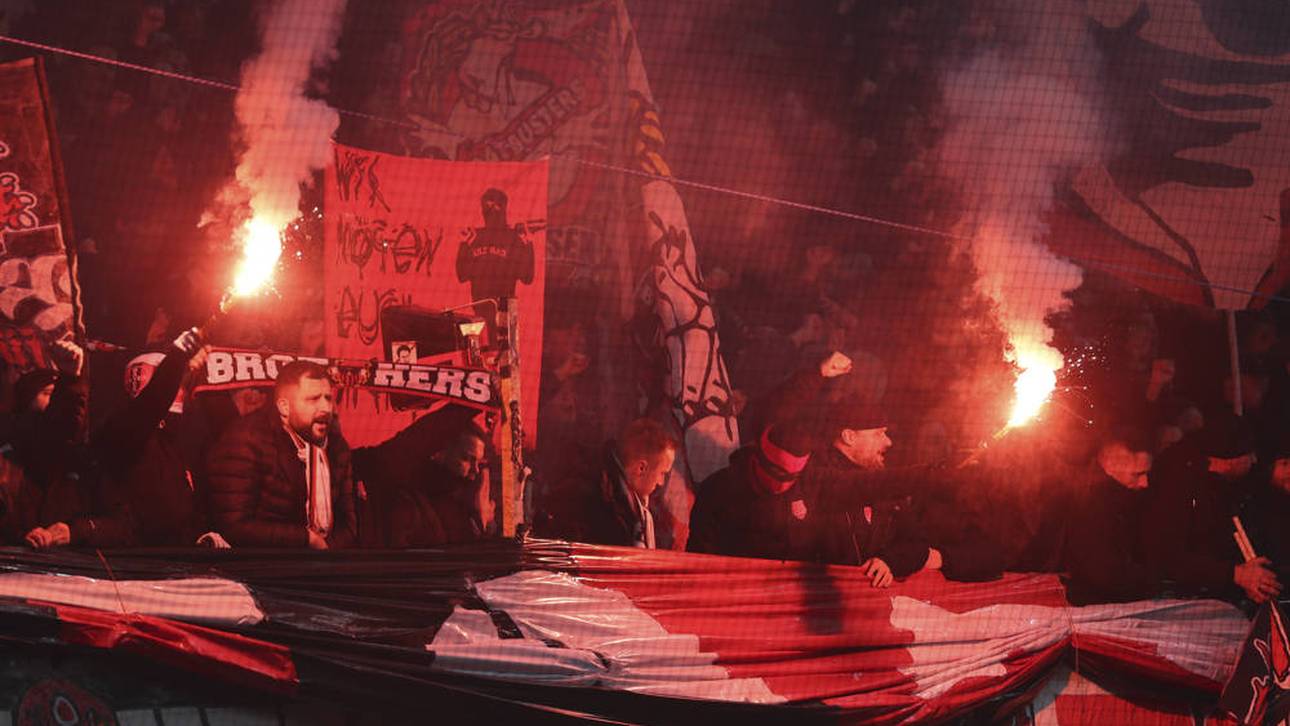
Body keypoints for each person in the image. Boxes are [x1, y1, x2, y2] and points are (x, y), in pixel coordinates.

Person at [687, 352, 852, 562]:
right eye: (777, 472)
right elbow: (781, 405)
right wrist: (816, 373)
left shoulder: (809, 486)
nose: (782, 483)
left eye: (790, 476)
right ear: (762, 455)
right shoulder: (720, 491)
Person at [85, 328, 218, 547]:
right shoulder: (123, 430)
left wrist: (202, 535)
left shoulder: (179, 434)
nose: (180, 384)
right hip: (136, 562)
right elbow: (152, 403)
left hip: (176, 560)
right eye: (173, 377)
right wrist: (177, 357)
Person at [206, 361, 356, 548]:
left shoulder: (337, 446)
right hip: (260, 569)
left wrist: (326, 554)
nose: (325, 408)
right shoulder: (245, 439)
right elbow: (234, 525)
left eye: (328, 398)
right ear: (284, 408)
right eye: (313, 399)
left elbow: (349, 525)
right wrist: (306, 540)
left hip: (323, 568)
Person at [1142, 413, 1281, 603]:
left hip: (1223, 593)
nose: (1254, 460)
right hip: (1186, 602)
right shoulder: (1181, 490)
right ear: (1230, 459)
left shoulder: (1232, 488)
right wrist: (1236, 574)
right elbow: (1167, 556)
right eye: (1248, 454)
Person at [807, 401, 939, 587]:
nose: (888, 441)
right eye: (878, 433)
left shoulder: (885, 484)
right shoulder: (817, 480)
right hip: (821, 600)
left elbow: (916, 543)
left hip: (868, 605)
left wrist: (889, 561)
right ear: (849, 436)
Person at [535, 418, 678, 548]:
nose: (661, 482)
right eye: (662, 473)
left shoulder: (631, 507)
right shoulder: (592, 500)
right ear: (641, 468)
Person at [1061, 430, 1160, 604]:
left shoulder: (1119, 497)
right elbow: (1105, 573)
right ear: (1110, 467)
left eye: (1147, 474)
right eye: (1137, 474)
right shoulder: (1092, 504)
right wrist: (1156, 583)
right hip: (1094, 601)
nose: (1145, 483)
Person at [380, 418, 492, 548]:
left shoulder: (469, 502)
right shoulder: (410, 501)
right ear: (441, 453)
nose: (476, 470)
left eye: (479, 463)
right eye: (466, 458)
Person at [456, 188, 535, 305]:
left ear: (502, 208)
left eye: (494, 207)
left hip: (505, 308)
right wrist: (464, 244)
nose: (489, 212)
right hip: (480, 307)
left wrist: (527, 243)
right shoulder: (475, 237)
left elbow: (527, 278)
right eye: (486, 207)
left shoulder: (513, 237)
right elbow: (462, 275)